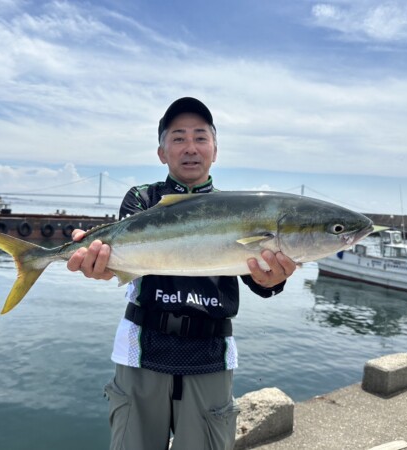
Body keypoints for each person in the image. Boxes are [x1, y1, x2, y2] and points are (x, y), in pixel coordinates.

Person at [67, 97, 297, 450]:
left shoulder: (239, 210)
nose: (190, 147)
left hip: (210, 353)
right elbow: (123, 256)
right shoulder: (143, 199)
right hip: (142, 349)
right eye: (178, 138)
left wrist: (274, 279)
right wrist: (99, 264)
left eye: (200, 137)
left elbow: (260, 282)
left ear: (215, 150)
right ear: (162, 152)